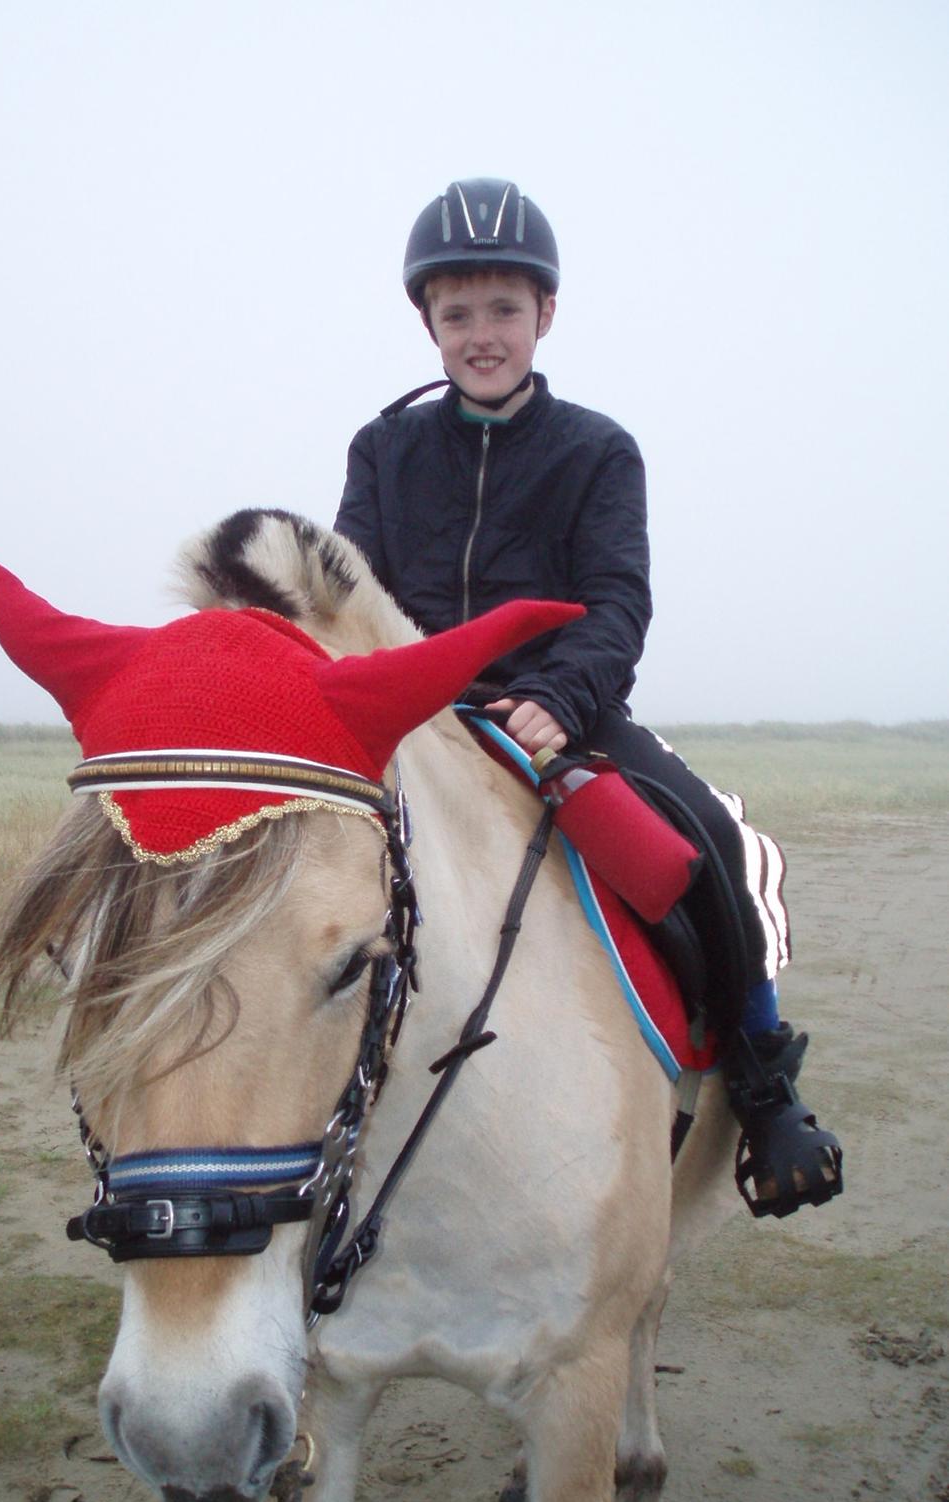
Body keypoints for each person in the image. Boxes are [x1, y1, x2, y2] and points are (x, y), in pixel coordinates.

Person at [334, 177, 842, 1218]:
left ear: (546, 315)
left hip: (561, 711)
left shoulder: (599, 450)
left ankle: (761, 1081)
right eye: (459, 312)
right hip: (419, 721)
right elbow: (351, 594)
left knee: (708, 844)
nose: (483, 334)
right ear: (426, 321)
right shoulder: (383, 451)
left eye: (505, 310)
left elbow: (617, 599)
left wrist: (561, 696)